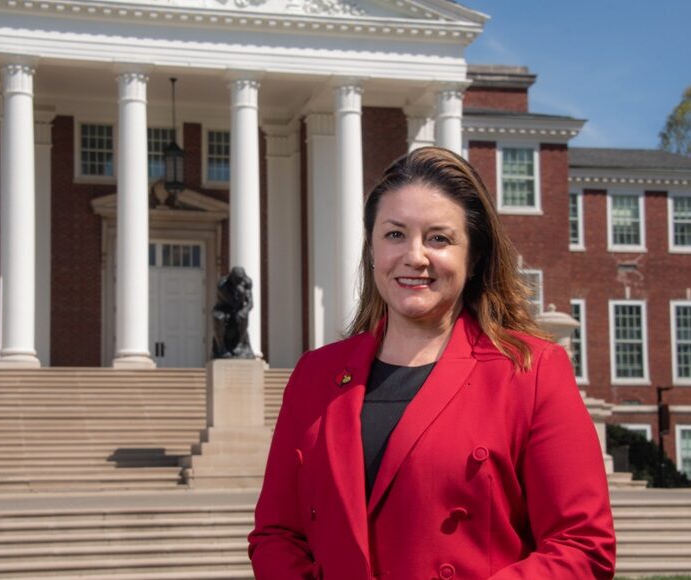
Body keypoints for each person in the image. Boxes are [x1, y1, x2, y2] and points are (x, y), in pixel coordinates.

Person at [248, 147, 616, 579]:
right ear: (371, 248)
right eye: (395, 234)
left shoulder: (530, 370)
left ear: (473, 257)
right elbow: (276, 534)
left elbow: (582, 545)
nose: (415, 256)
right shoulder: (314, 375)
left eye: (439, 238)